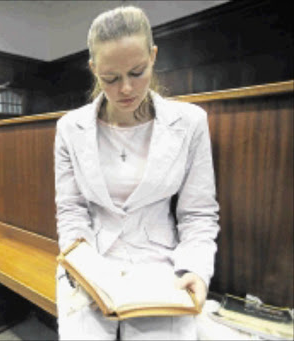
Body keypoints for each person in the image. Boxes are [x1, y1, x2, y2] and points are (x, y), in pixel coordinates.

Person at [54, 6, 220, 340]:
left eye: (137, 72)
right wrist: (81, 266)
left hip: (161, 262)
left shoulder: (190, 123)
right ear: (93, 70)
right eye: (110, 78)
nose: (126, 89)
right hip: (92, 262)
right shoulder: (70, 128)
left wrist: (196, 270)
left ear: (153, 56)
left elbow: (198, 213)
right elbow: (71, 210)